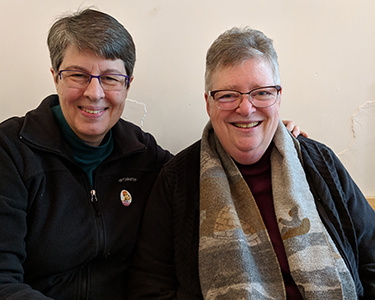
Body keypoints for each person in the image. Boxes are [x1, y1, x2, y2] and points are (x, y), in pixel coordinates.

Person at [0, 9, 305, 299]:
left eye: (110, 78)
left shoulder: (145, 156)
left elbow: (209, 170)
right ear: (56, 77)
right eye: (78, 75)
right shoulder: (11, 151)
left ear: (128, 84)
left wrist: (267, 132)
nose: (94, 93)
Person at [128, 27, 375, 299]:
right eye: (228, 95)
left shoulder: (321, 164)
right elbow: (150, 286)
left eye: (261, 92)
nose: (246, 108)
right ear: (209, 103)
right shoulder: (177, 181)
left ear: (278, 98)